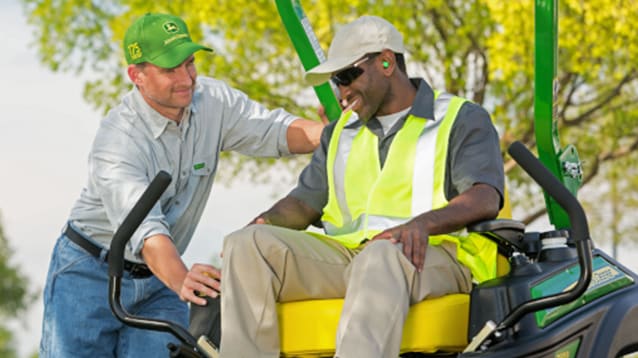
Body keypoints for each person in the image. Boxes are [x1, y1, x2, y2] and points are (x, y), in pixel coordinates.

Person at [39, 12, 326, 357]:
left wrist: (333, 134)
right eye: (170, 69)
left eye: (189, 63)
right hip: (91, 273)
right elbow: (146, 232)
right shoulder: (118, 141)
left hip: (159, 284)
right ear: (137, 75)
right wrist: (181, 278)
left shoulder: (213, 103)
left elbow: (275, 131)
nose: (186, 78)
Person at [219, 15, 505, 357]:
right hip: (355, 258)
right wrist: (262, 224)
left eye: (346, 77)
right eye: (337, 83)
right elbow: (303, 203)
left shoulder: (459, 117)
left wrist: (419, 225)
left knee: (381, 254)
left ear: (386, 62)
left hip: (433, 255)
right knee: (245, 244)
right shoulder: (339, 134)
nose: (342, 92)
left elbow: (485, 197)